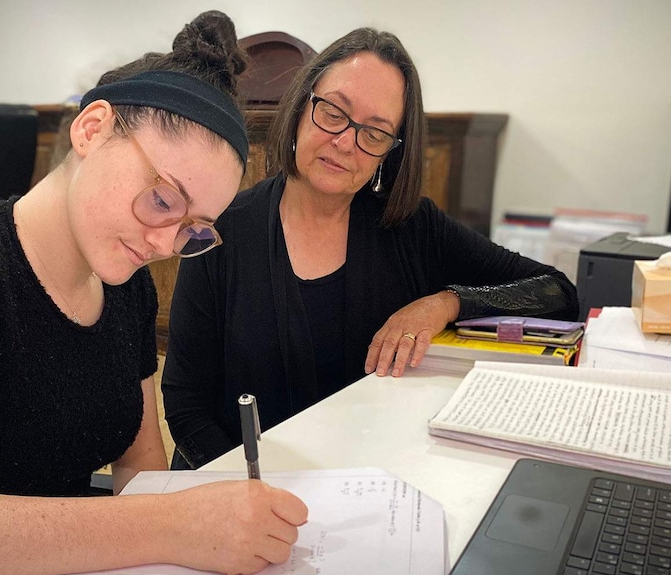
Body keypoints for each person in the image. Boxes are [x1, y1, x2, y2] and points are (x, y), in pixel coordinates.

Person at [0, 11, 307, 575]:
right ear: (92, 129)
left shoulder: (127, 291)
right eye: (165, 201)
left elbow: (139, 476)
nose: (165, 243)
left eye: (193, 229)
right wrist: (169, 525)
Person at [162, 27, 580, 470]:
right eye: (334, 112)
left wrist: (447, 302)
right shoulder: (222, 229)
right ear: (303, 106)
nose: (345, 142)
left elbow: (558, 293)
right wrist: (247, 488)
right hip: (240, 490)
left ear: (390, 153)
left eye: (375, 133)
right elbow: (186, 402)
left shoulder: (413, 228)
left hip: (374, 483)